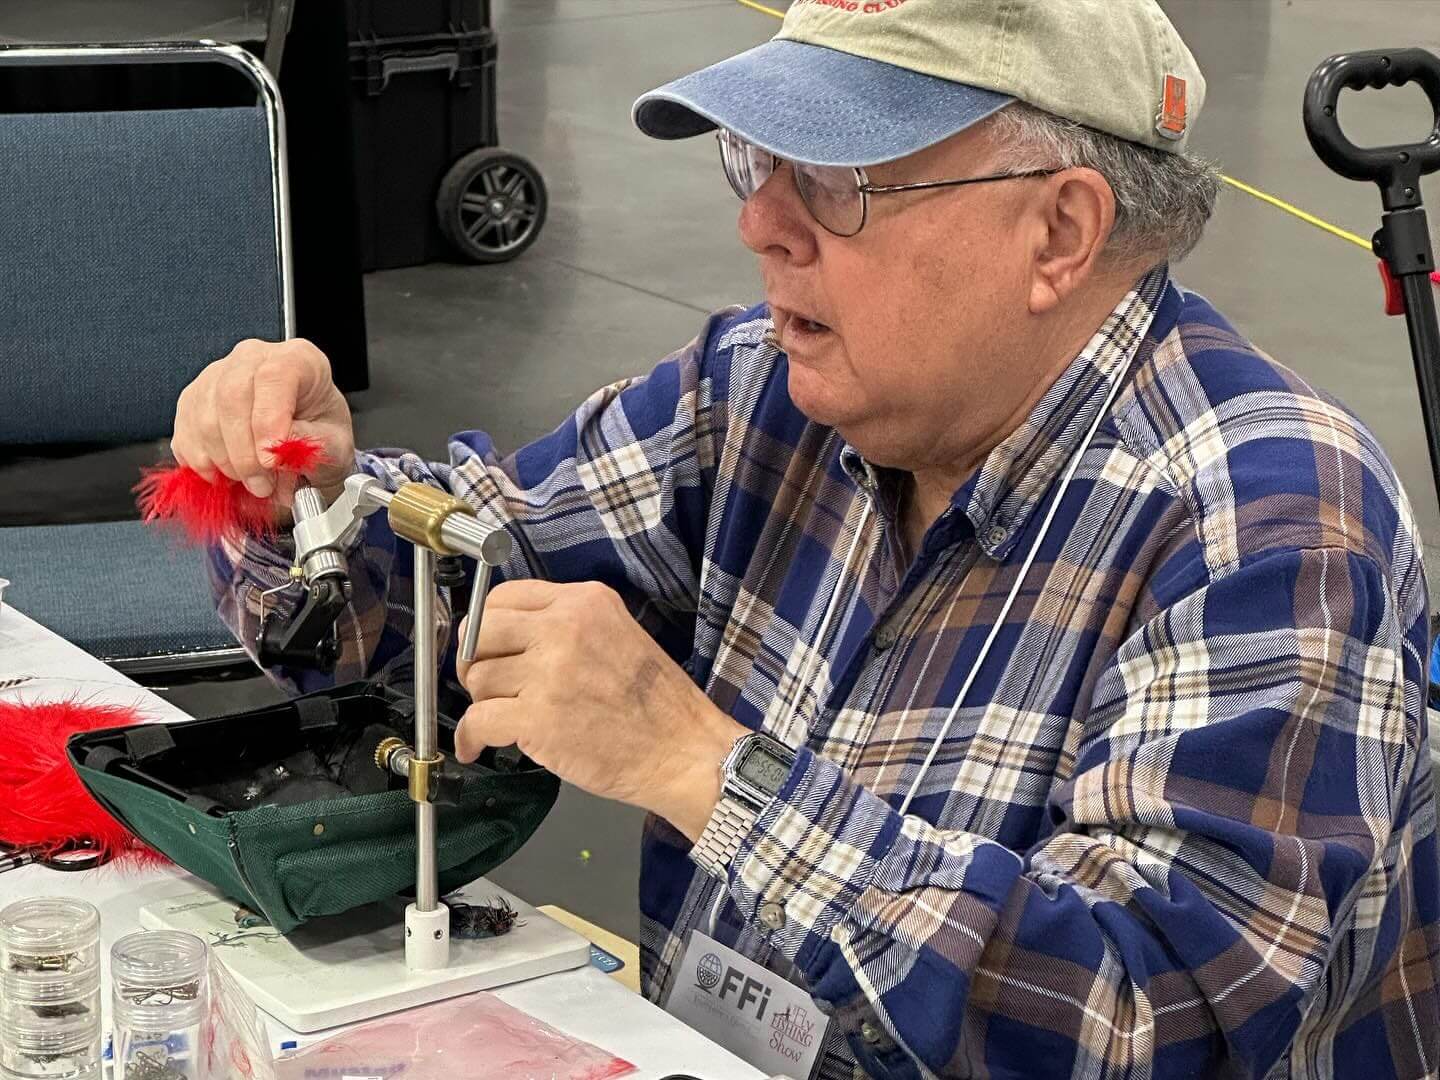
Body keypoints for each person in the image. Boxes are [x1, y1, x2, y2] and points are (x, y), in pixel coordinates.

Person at [172, 0, 1440, 1076]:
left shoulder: (1271, 517)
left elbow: (1148, 1019)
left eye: (839, 183)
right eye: (755, 161)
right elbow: (443, 594)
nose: (761, 225)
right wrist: (308, 492)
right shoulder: (759, 392)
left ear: (1059, 231)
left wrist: (709, 772)